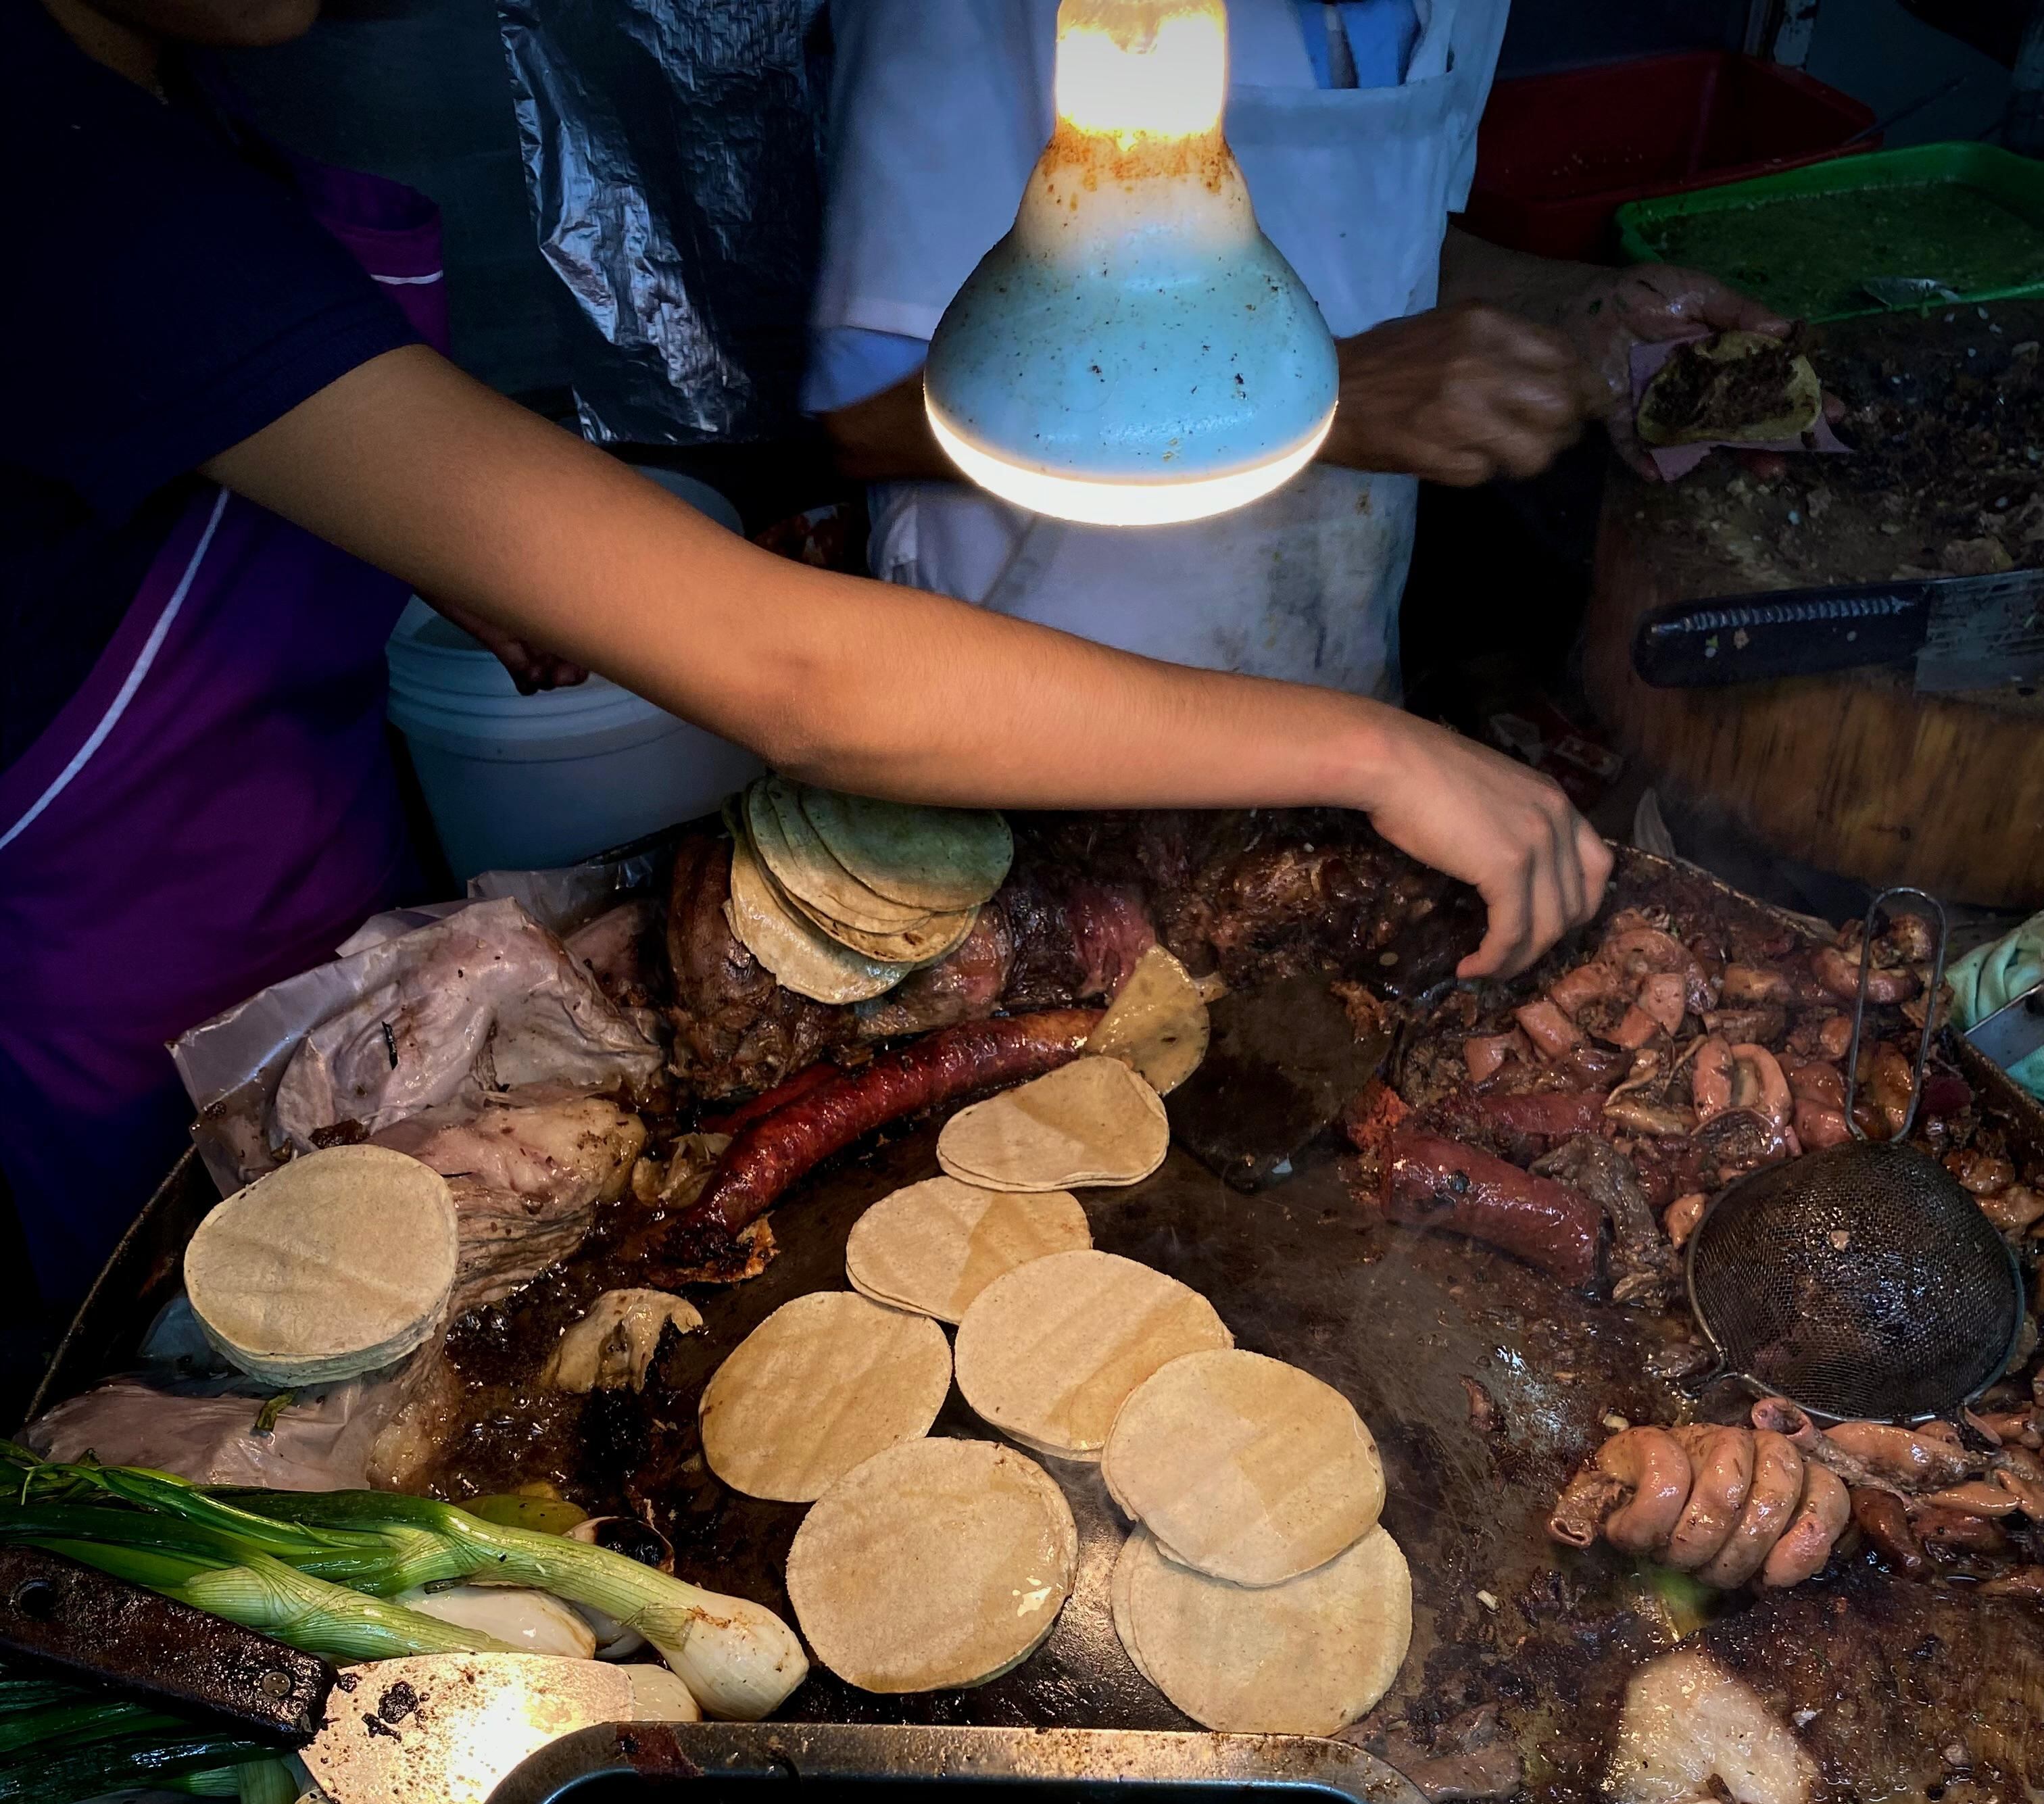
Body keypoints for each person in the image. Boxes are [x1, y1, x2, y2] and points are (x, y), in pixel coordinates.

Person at [1, 0, 1607, 1314]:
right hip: (122, 972)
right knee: (233, 1317)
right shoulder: (57, 171)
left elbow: (233, 446)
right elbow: (804, 682)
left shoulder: (172, 95)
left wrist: (442, 534)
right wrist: (1373, 747)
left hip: (317, 841)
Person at [811, 0, 1788, 693]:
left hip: (1328, 687)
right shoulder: (956, 19)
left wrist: (1574, 307)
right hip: (1032, 702)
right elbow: (857, 424)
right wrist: (1343, 399)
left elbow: (1383, 240)